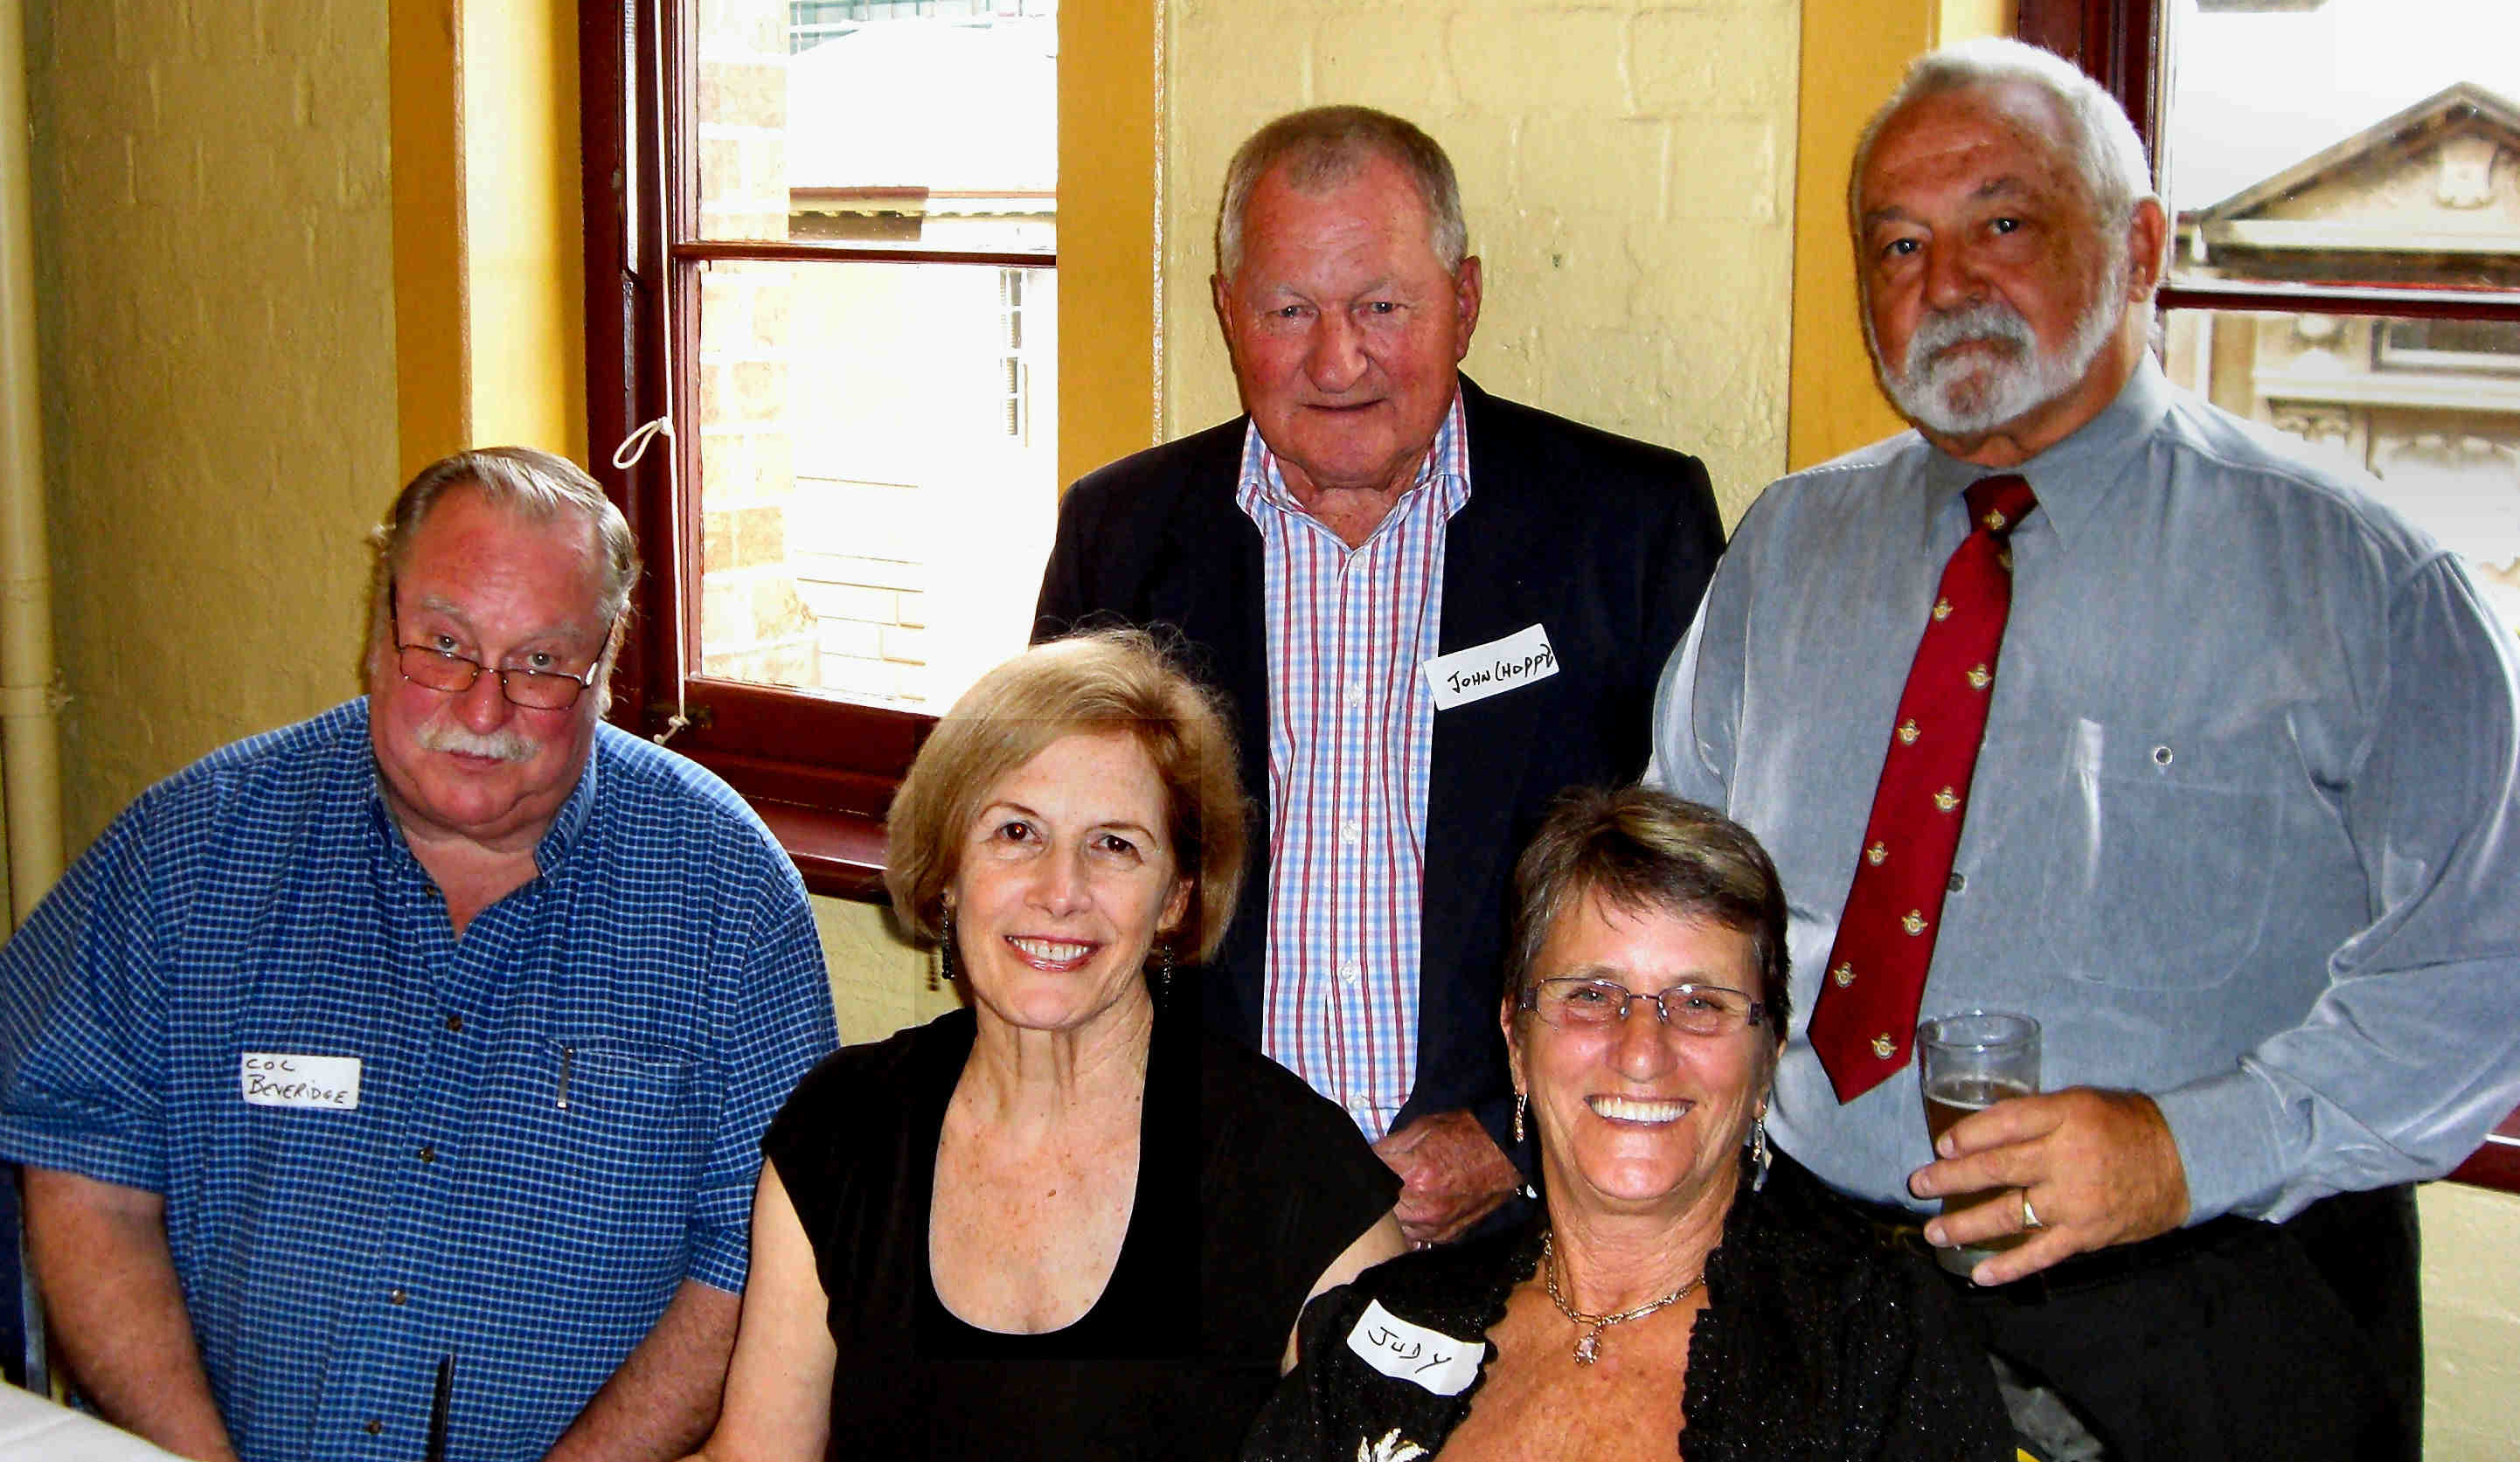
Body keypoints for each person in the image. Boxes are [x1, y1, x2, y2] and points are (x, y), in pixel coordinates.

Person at [1650, 36, 2520, 1462]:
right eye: (1895, 242)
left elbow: (2475, 976)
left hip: (2205, 1304)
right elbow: (1685, 894)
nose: (1943, 284)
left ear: (2139, 246)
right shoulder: (1785, 545)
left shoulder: (2357, 576)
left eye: (2002, 222)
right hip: (1814, 1277)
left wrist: (2185, 1148)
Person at [0, 448, 837, 1462]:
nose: (482, 711)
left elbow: (757, 1262)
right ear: (378, 622)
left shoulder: (726, 895)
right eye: (442, 643)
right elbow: (86, 1171)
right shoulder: (193, 850)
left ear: (605, 659)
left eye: (538, 662)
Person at [1035, 106, 1726, 1244]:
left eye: (1381, 307)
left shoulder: (1629, 531)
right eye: (1287, 310)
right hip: (1200, 1218)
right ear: (1225, 311)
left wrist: (1516, 1136)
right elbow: (1055, 895)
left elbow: (1706, 910)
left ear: (1463, 299)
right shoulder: (1120, 537)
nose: (1335, 358)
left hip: (1529, 1221)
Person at [686, 630, 1406, 1462]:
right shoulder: (843, 1132)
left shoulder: (1295, 1176)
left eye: (1114, 844)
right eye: (1016, 832)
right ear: (950, 869)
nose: (1059, 892)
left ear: (1175, 897)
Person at [1245, 787, 2010, 1462]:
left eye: (1699, 1003)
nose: (1642, 1051)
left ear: (1765, 1062)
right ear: (1515, 1042)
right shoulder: (1377, 1320)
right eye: (1591, 994)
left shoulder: (1873, 1337)